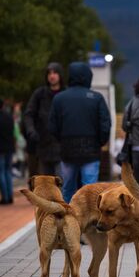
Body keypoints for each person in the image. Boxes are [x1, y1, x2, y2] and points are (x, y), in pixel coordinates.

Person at [48, 62, 111, 203]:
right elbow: (105, 124)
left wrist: (62, 140)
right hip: (91, 151)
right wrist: (99, 142)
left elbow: (52, 126)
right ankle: (90, 220)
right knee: (90, 190)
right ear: (88, 77)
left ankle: (68, 220)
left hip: (67, 150)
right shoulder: (96, 98)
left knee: (68, 188)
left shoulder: (59, 98)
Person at [23, 62, 64, 176]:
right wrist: (31, 130)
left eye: (55, 72)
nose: (52, 76)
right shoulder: (39, 94)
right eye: (49, 73)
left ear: (60, 75)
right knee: (45, 184)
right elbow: (28, 114)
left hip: (62, 148)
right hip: (43, 146)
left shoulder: (66, 93)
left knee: (61, 183)